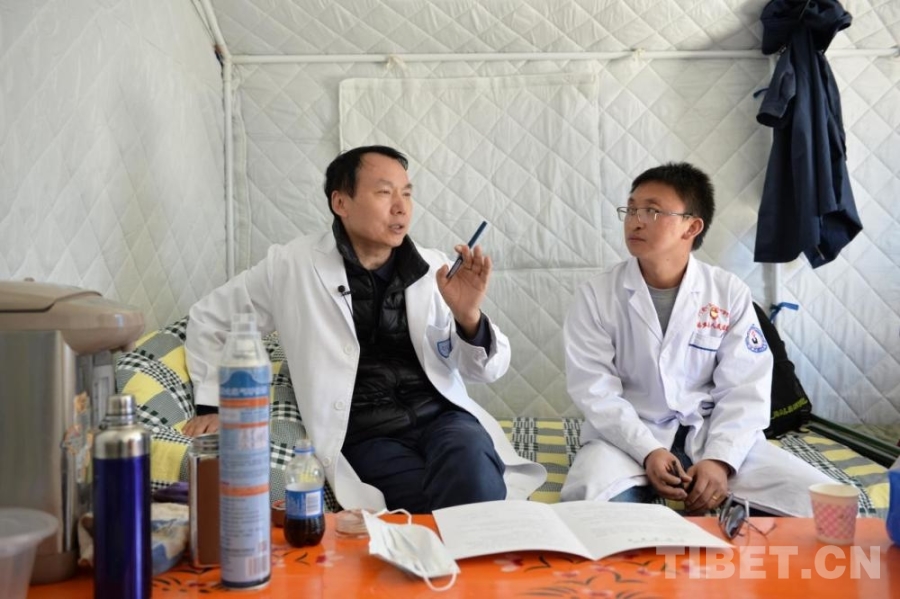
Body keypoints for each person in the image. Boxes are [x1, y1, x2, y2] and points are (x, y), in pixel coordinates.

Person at [183, 145, 546, 513]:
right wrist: (213, 404)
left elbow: (486, 369)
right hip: (368, 435)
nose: (401, 207)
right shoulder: (291, 265)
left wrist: (468, 316)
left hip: (443, 419)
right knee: (432, 503)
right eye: (385, 192)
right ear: (341, 202)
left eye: (407, 193)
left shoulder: (434, 268)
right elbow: (211, 318)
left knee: (471, 467)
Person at [560, 162, 832, 516]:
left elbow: (745, 387)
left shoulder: (727, 292)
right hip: (625, 440)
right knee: (588, 504)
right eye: (631, 209)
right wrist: (648, 450)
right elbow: (595, 390)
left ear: (692, 226)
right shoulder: (596, 295)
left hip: (710, 434)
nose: (635, 221)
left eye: (652, 211)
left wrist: (720, 460)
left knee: (821, 503)